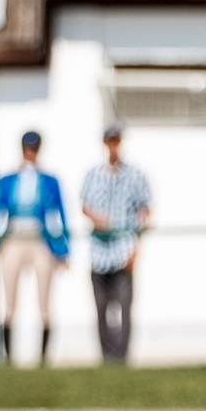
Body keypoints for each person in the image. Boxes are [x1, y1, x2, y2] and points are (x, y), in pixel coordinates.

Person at [0, 131, 70, 365]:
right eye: (28, 148)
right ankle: (7, 358)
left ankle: (43, 358)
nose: (31, 152)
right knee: (9, 302)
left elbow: (60, 216)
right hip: (14, 239)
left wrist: (63, 249)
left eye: (34, 148)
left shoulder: (50, 181)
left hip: (39, 239)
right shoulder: (7, 180)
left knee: (44, 302)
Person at [78, 122, 152, 366]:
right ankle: (107, 358)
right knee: (101, 310)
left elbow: (145, 211)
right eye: (110, 141)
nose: (113, 146)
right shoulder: (93, 175)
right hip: (99, 253)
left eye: (116, 141)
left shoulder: (135, 175)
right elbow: (84, 206)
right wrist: (96, 218)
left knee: (124, 309)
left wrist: (136, 249)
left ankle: (122, 358)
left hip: (123, 253)